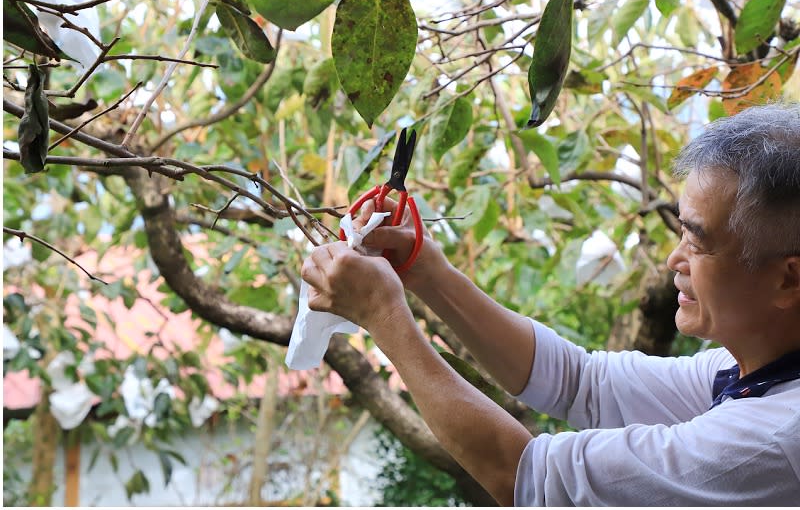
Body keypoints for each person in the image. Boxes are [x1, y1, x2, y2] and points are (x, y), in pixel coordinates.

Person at [300, 102, 800, 505]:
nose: (674, 259)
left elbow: (520, 476)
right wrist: (426, 271)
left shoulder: (773, 439)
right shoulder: (748, 373)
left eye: (698, 241)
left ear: (787, 279)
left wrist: (385, 317)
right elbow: (580, 382)